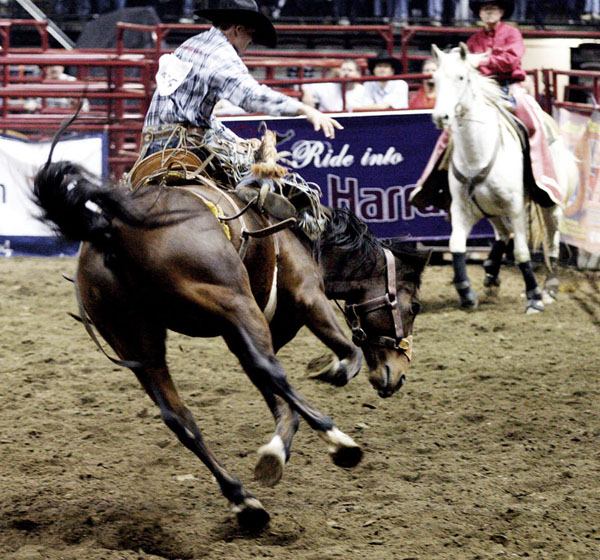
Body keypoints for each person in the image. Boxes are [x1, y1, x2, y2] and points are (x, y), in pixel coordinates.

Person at [139, 0, 343, 239]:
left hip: (154, 146)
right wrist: (303, 109)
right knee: (273, 178)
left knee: (246, 153)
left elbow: (193, 114)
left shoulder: (192, 45)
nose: (251, 42)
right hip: (183, 146)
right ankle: (275, 209)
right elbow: (250, 96)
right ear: (238, 29)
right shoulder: (220, 54)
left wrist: (234, 139)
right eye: (251, 35)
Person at [410, 0, 562, 210]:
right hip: (480, 91)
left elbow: (511, 60)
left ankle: (543, 180)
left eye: (493, 8)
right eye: (485, 9)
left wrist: (482, 61)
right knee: (449, 133)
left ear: (501, 11)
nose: (489, 13)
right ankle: (430, 186)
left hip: (509, 87)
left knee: (532, 118)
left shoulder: (512, 34)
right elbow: (466, 69)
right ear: (480, 13)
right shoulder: (473, 40)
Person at [301, 59, 367, 112]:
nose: (346, 73)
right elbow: (305, 85)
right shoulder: (328, 86)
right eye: (343, 70)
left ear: (358, 74)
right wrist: (307, 94)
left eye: (350, 70)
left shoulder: (363, 90)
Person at [23, 65, 90, 113]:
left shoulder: (72, 82)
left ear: (63, 67)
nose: (54, 69)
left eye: (57, 65)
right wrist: (31, 105)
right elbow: (28, 104)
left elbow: (84, 109)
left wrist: (76, 104)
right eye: (50, 65)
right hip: (42, 123)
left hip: (65, 122)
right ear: (44, 68)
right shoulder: (36, 82)